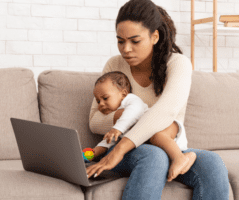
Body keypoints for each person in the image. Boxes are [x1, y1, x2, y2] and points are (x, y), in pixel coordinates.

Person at [87, 0, 230, 199]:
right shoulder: (114, 65)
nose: (126, 49)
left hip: (157, 147)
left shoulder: (177, 64)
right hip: (133, 153)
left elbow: (166, 111)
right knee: (154, 155)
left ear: (154, 36)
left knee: (212, 162)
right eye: (120, 41)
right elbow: (94, 121)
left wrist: (127, 128)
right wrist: (129, 117)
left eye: (135, 41)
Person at [88, 71, 197, 181]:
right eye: (98, 101)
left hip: (166, 125)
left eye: (105, 98)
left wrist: (117, 129)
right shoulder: (118, 125)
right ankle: (186, 156)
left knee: (157, 136)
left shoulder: (130, 100)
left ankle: (179, 158)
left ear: (124, 94)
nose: (101, 104)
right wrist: (90, 153)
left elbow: (134, 111)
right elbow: (108, 141)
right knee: (156, 141)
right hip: (164, 141)